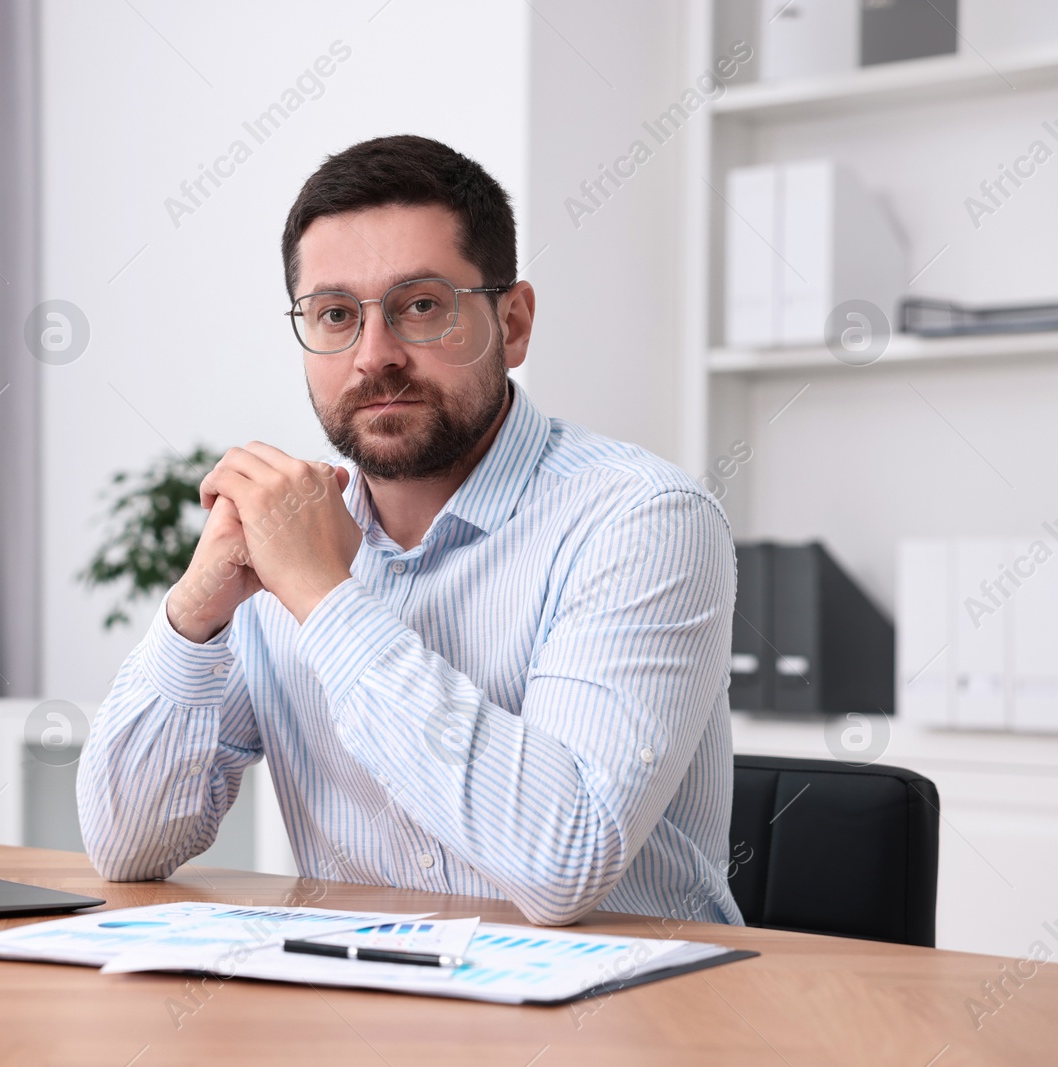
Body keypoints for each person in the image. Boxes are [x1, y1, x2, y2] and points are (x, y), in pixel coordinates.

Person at [77, 134, 742, 926]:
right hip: (361, 1018)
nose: (373, 357)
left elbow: (563, 860)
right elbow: (126, 846)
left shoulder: (643, 520)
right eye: (333, 315)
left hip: (624, 1021)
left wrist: (325, 598)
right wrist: (195, 612)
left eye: (421, 305)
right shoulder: (283, 537)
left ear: (515, 322)